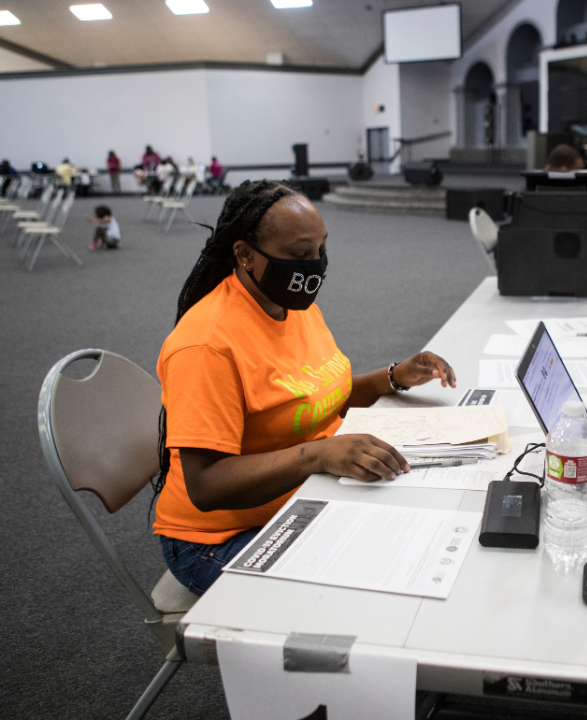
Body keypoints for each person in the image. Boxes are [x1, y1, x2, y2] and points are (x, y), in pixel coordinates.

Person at [152, 180, 457, 596]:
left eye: (320, 250)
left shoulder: (289, 304)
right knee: (375, 585)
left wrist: (393, 376)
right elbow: (206, 486)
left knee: (426, 536)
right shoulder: (207, 345)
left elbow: (317, 397)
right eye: (299, 255)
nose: (315, 266)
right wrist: (316, 455)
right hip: (218, 538)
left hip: (302, 495)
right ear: (244, 254)